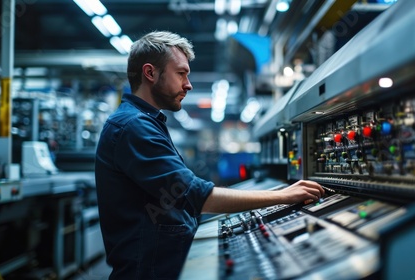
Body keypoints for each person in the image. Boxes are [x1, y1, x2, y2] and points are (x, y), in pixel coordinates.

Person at [95, 30, 325, 280]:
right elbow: (195, 195)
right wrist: (281, 196)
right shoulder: (132, 127)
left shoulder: (146, 122)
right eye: (181, 73)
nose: (188, 84)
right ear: (150, 73)